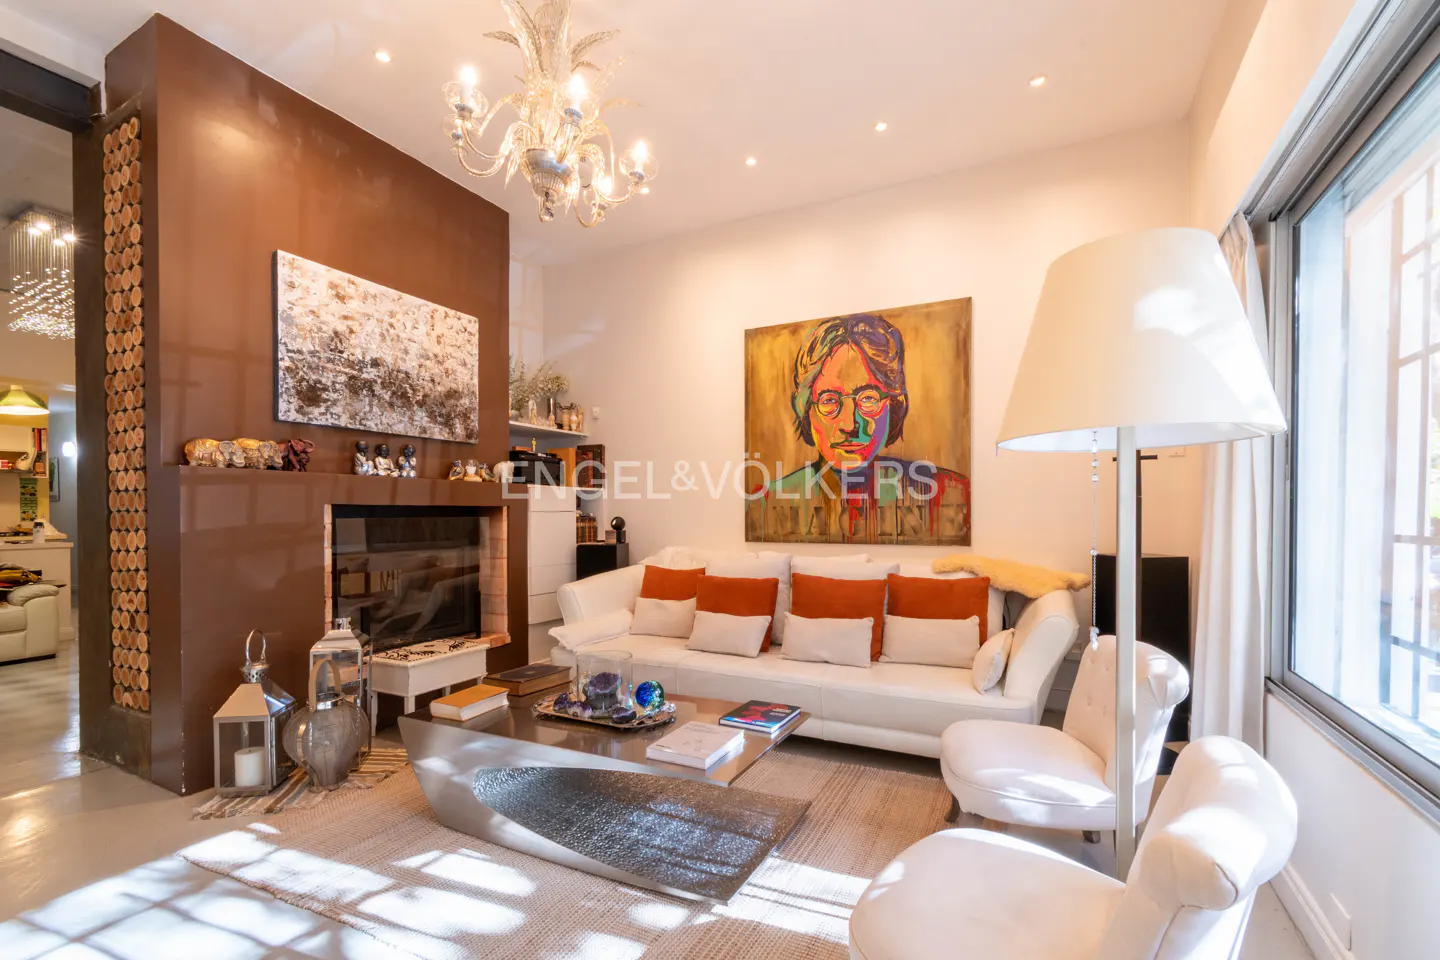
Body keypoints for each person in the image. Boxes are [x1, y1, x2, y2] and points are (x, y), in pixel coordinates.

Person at [749, 313, 969, 543]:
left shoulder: (948, 493)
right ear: (807, 411)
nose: (850, 424)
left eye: (867, 398)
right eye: (829, 400)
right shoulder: (765, 502)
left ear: (894, 405)